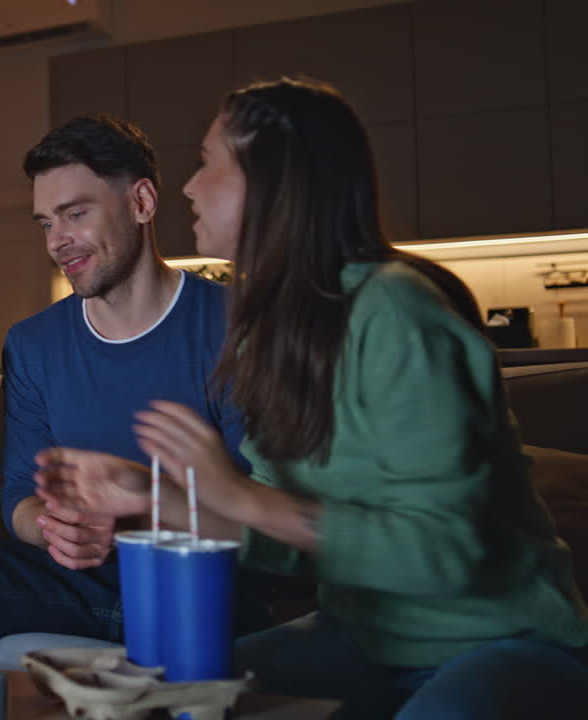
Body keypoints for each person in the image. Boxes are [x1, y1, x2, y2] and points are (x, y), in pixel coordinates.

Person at [35, 78, 588, 719]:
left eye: (209, 162)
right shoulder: (273, 330)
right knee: (161, 702)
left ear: (275, 180)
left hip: (502, 643)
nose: (188, 187)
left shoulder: (395, 309)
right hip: (362, 639)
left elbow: (445, 552)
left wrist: (236, 492)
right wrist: (158, 500)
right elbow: (280, 537)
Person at [0, 113, 270, 662]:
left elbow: (267, 518)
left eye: (75, 214)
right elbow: (18, 496)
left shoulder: (235, 327)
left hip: (197, 583)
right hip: (80, 586)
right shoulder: (34, 343)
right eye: (45, 223)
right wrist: (52, 526)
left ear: (142, 203)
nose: (58, 241)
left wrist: (138, 515)